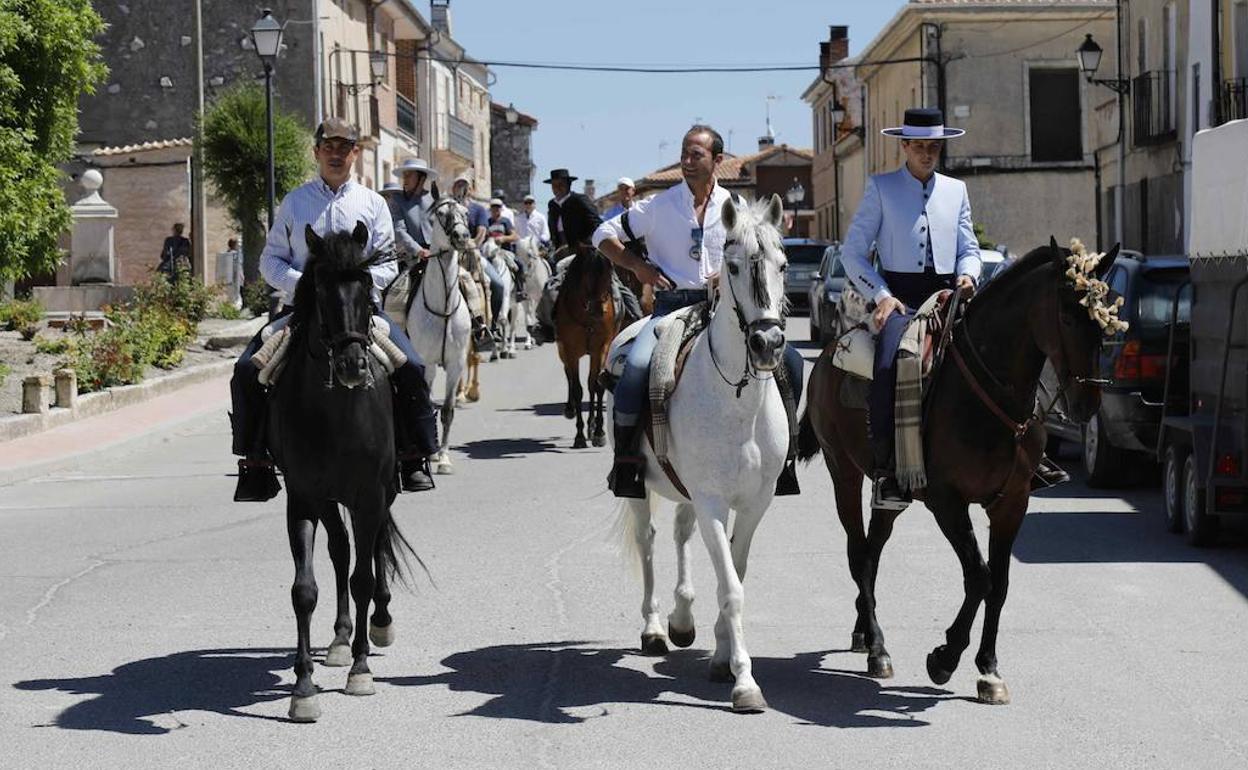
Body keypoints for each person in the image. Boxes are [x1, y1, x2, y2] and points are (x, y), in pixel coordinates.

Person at [229, 117, 437, 501]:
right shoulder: (295, 202)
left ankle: (414, 454)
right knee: (245, 370)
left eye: (345, 148)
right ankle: (254, 462)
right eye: (329, 147)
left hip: (361, 316)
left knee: (412, 368)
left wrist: (352, 290)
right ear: (317, 152)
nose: (336, 154)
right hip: (301, 314)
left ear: (355, 154)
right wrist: (306, 286)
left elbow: (389, 261)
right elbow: (270, 261)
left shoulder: (373, 204)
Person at [593, 125, 804, 499]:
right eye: (684, 154)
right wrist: (638, 266)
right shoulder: (658, 206)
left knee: (792, 361)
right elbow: (603, 234)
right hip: (670, 311)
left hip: (723, 311)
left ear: (717, 161)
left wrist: (728, 275)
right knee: (636, 370)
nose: (687, 162)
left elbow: (757, 259)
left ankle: (785, 457)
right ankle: (627, 465)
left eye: (696, 155)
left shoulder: (737, 209)